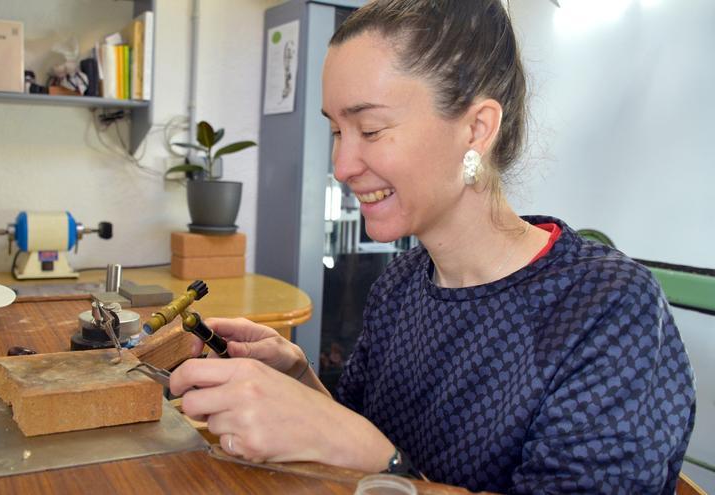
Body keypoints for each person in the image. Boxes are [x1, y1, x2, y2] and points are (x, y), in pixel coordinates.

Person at [169, 0, 696, 493]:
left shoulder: (606, 308)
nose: (342, 166)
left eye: (371, 129)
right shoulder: (401, 286)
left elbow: (369, 452)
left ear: (476, 128)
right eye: (336, 131)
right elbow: (354, 433)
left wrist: (383, 466)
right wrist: (302, 381)